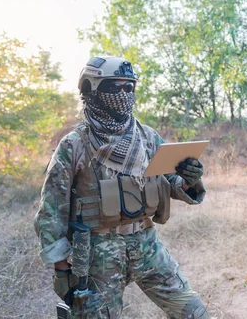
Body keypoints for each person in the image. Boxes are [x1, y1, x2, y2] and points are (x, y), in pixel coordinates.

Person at [33, 56, 209, 318]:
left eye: (130, 87)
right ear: (91, 90)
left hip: (147, 243)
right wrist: (62, 271)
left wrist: (191, 178)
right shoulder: (74, 145)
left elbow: (173, 183)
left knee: (193, 312)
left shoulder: (147, 137)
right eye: (116, 87)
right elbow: (51, 212)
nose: (125, 94)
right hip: (99, 252)